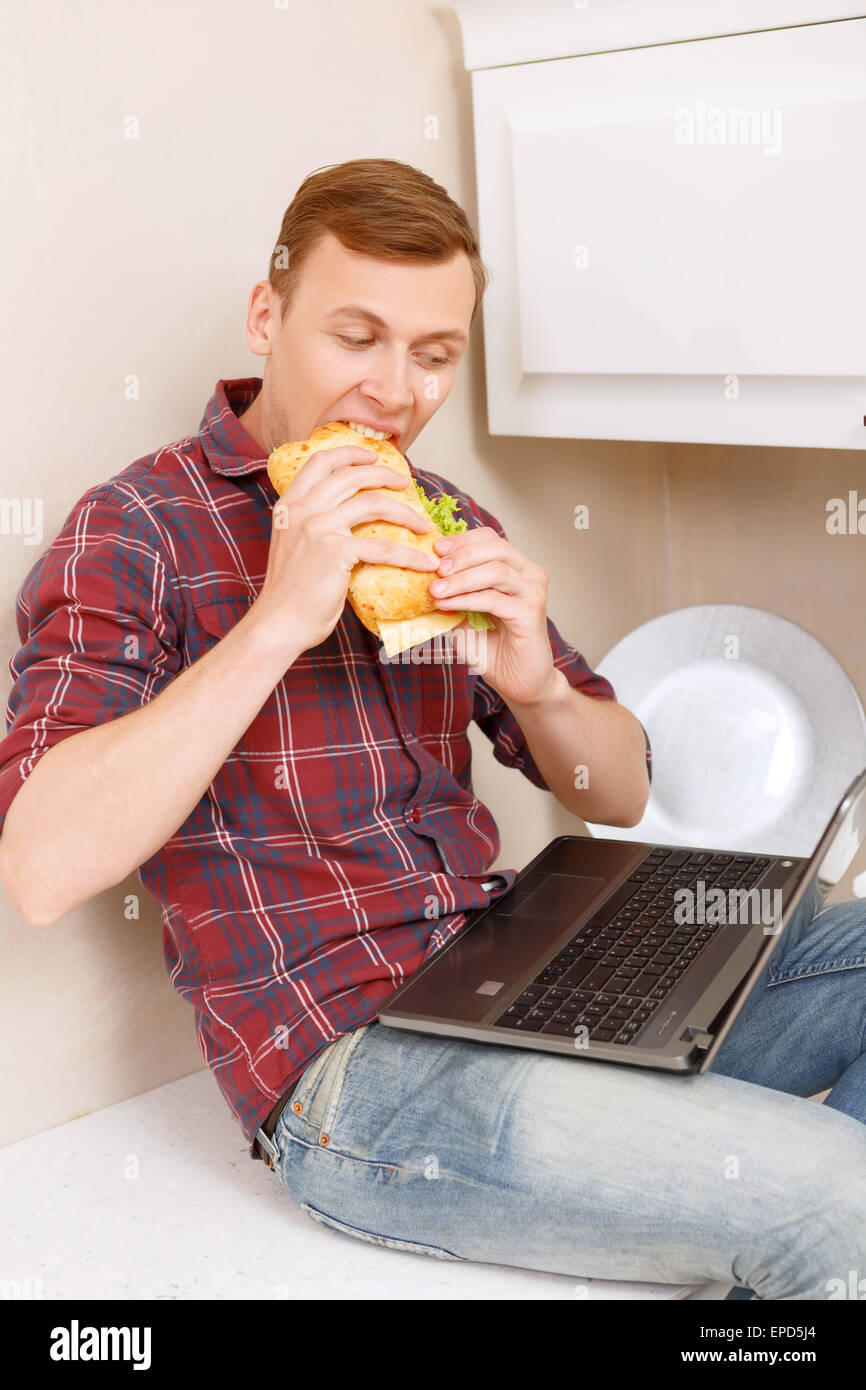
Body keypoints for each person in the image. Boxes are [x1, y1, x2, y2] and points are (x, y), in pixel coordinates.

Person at [0, 158, 863, 1301]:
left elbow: (616, 788)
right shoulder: (138, 527)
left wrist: (540, 685)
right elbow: (43, 865)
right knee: (838, 1206)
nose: (392, 392)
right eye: (355, 337)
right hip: (355, 1071)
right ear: (267, 318)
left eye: (432, 354)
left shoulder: (445, 514)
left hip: (516, 966)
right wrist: (275, 620)